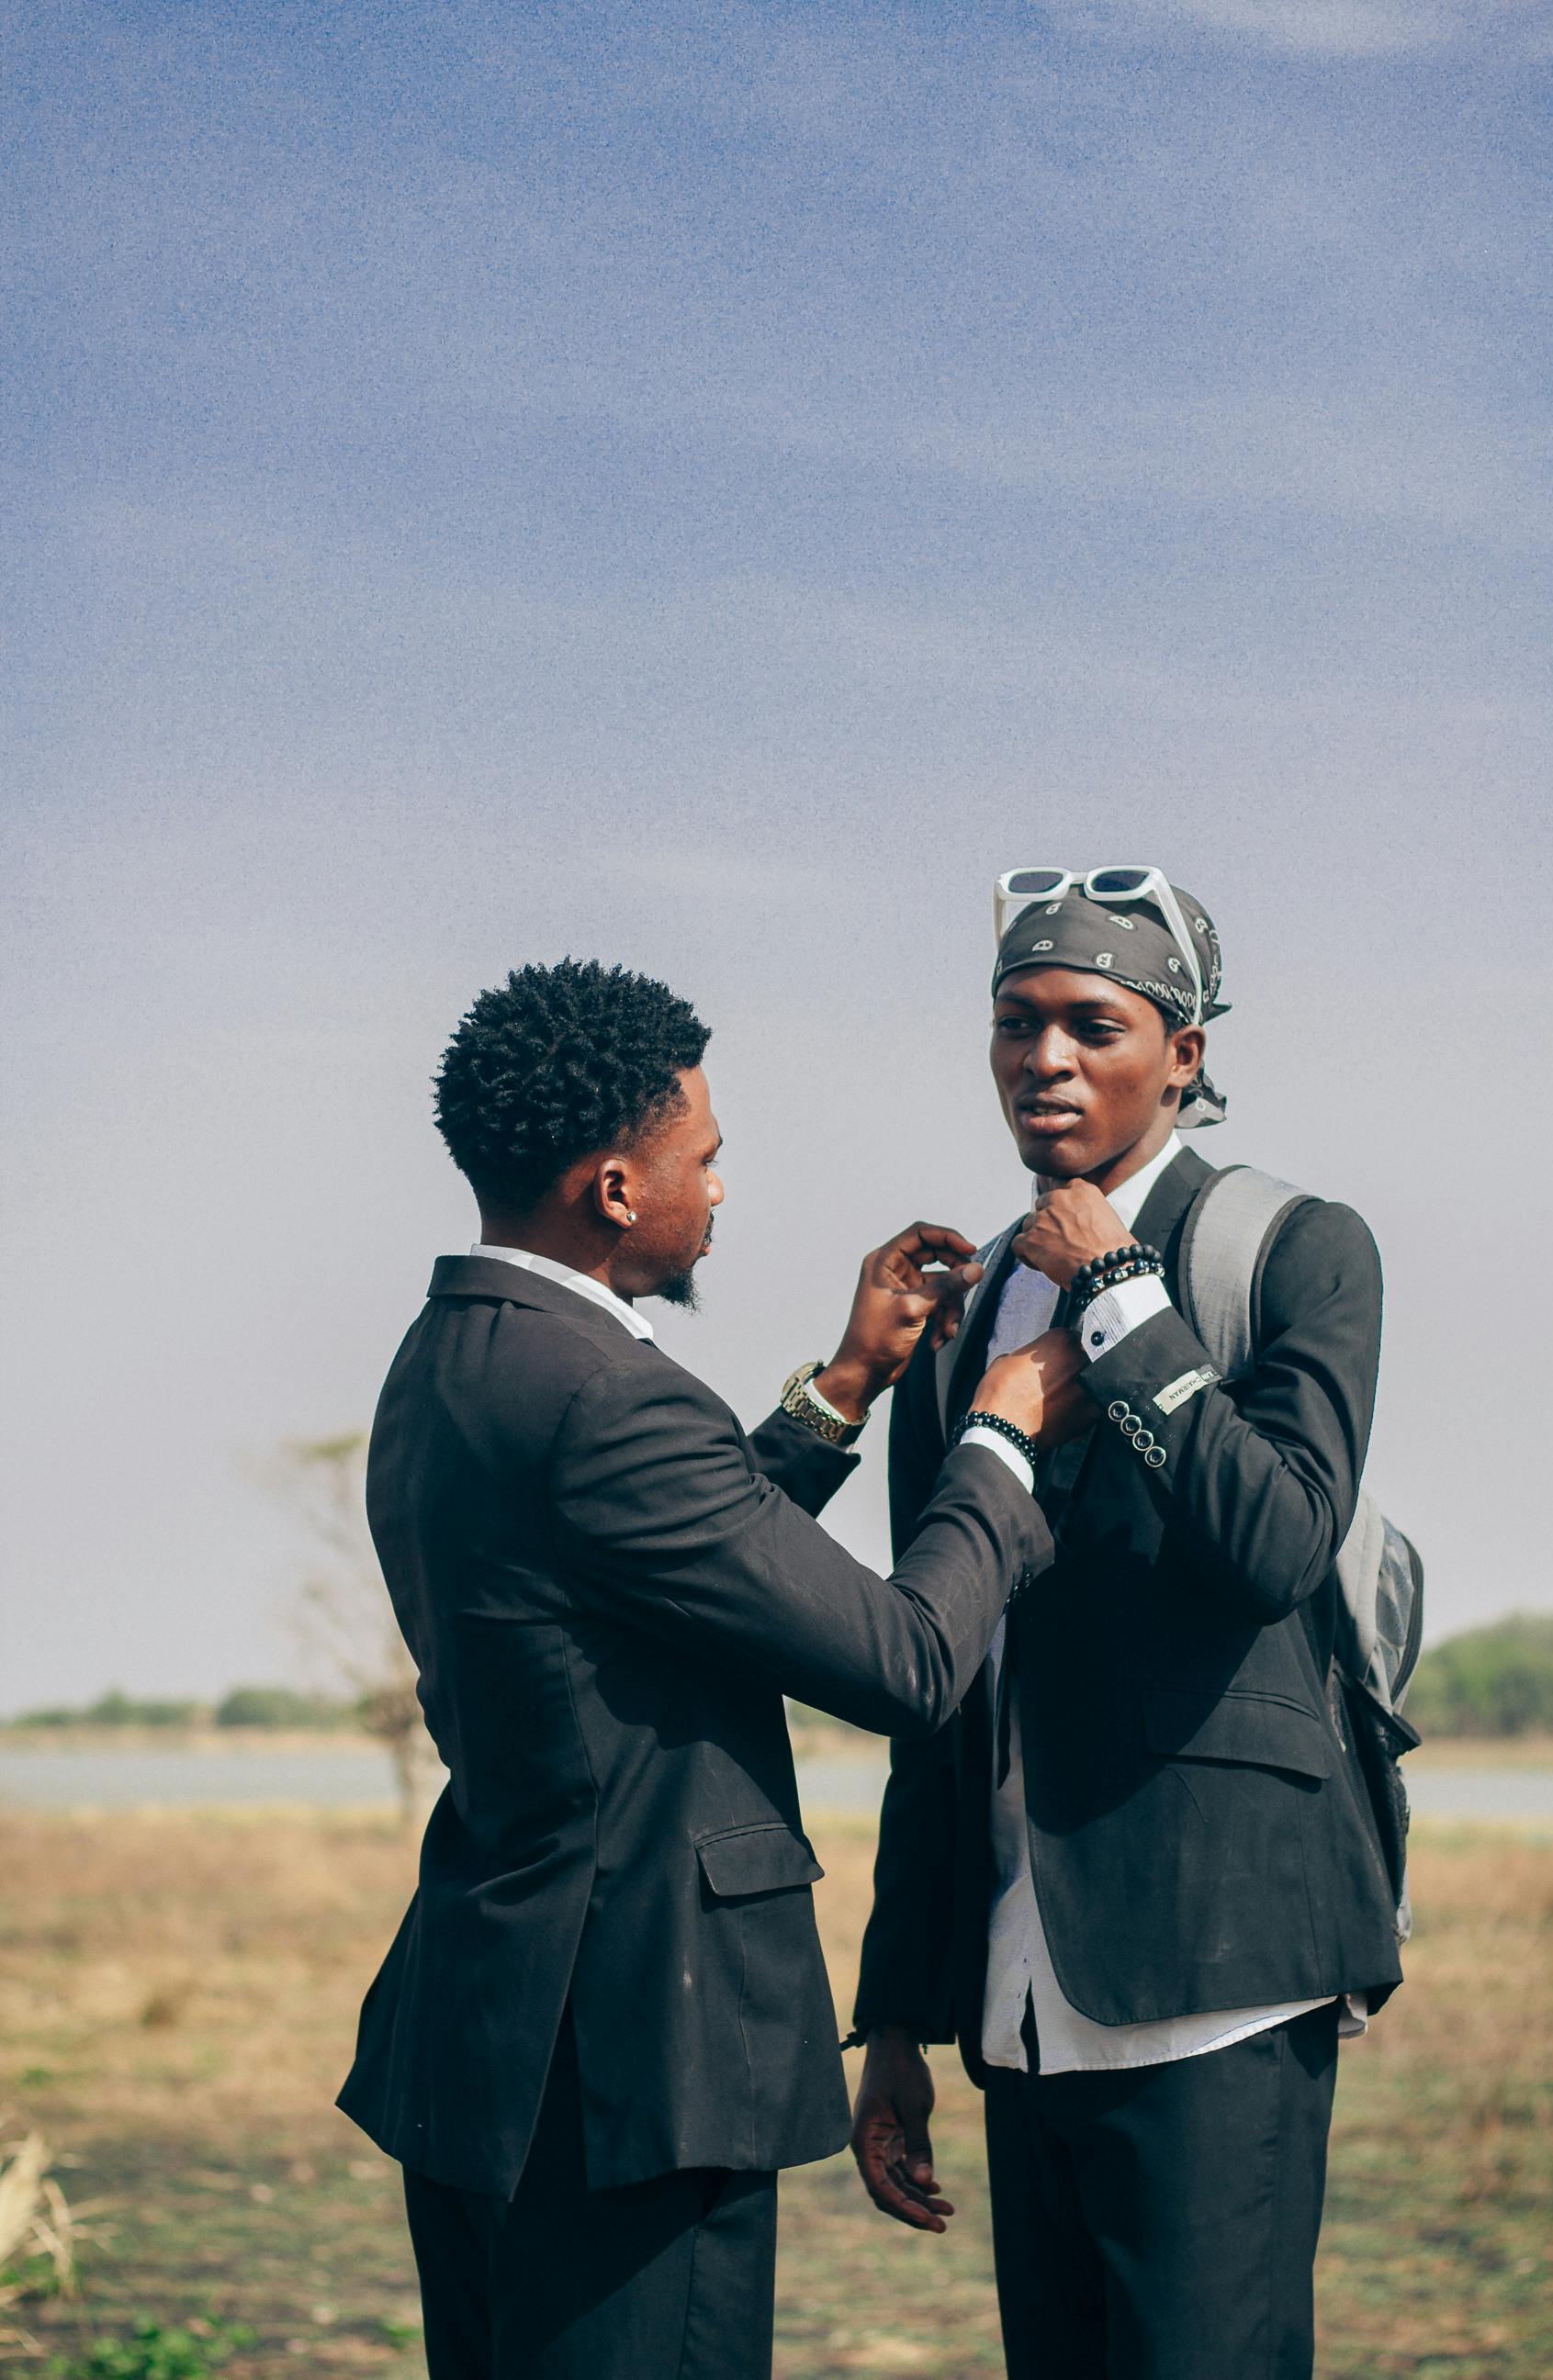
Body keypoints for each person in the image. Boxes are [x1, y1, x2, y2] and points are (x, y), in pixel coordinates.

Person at [337, 956, 1090, 2380]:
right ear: (618, 1187)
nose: (724, 1190)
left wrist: (846, 1387)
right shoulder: (612, 1394)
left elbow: (659, 1573)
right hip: (637, 2067)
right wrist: (1000, 1432)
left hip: (495, 2041)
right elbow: (909, 1658)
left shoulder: (454, 1357)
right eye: (707, 1156)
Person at [849, 871, 1404, 2380]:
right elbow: (937, 1663)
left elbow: (1278, 1539)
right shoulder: (963, 1313)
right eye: (1016, 1025)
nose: (1047, 1058)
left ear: (1187, 1053)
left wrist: (1112, 1290)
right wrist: (898, 2010)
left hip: (1217, 1971)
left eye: (1095, 1024)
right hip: (1021, 1992)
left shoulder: (1294, 1247)